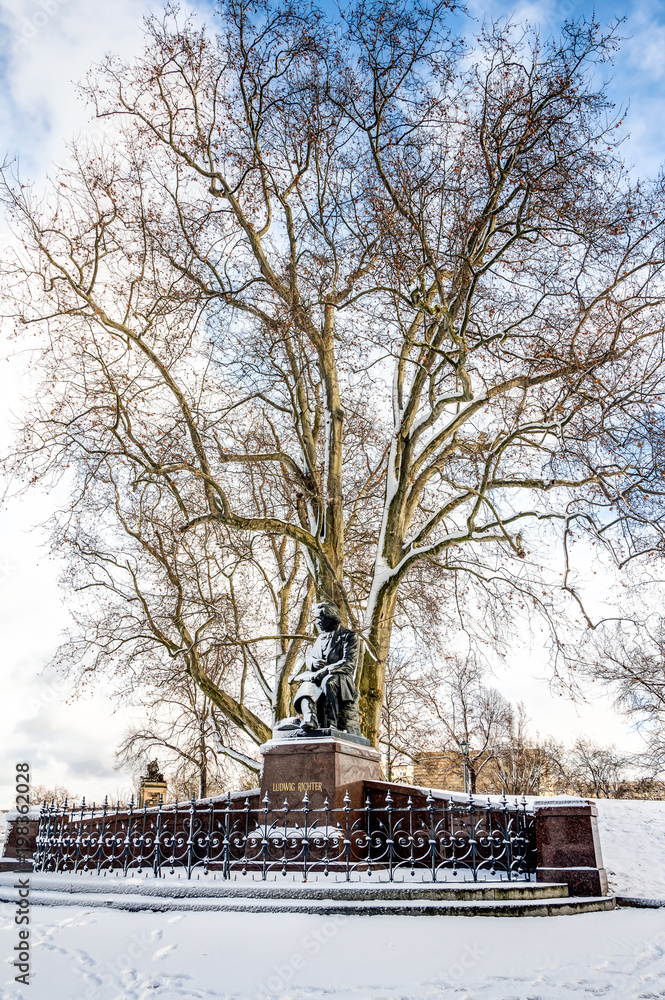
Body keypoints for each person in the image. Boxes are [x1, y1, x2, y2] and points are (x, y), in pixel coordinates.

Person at [287, 602, 361, 735]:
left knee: (328, 680)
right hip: (320, 676)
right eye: (315, 618)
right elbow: (310, 658)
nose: (317, 622)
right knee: (307, 683)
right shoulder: (321, 638)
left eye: (320, 618)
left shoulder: (349, 636)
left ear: (330, 617)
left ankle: (332, 723)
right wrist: (313, 663)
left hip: (341, 678)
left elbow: (348, 663)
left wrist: (326, 670)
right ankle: (310, 718)